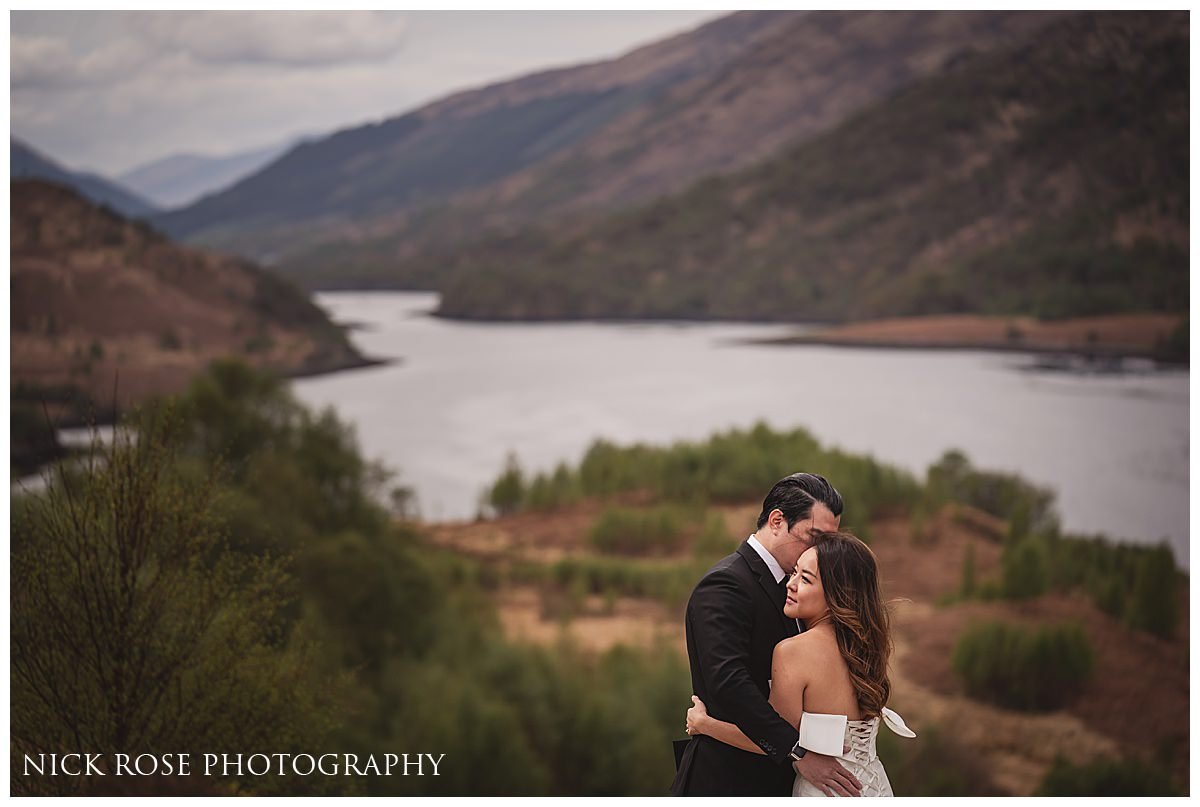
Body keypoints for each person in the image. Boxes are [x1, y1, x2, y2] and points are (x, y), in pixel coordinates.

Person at [670, 473, 862, 797]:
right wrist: (796, 751)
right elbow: (728, 682)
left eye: (829, 543)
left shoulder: (805, 590)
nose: (822, 553)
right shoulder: (725, 585)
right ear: (776, 521)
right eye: (814, 538)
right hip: (728, 781)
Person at [684, 531, 916, 797]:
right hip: (876, 789)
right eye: (794, 573)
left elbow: (769, 739)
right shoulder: (867, 647)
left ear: (836, 593)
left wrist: (704, 724)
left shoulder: (793, 651)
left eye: (805, 579)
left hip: (824, 792)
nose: (790, 584)